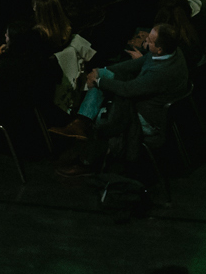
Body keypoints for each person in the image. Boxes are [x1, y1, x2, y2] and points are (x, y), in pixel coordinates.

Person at [54, 23, 191, 175]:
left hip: (149, 119)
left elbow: (129, 89)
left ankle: (88, 162)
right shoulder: (170, 52)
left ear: (159, 49)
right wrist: (102, 72)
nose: (146, 42)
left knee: (101, 117)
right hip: (145, 104)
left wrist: (98, 81)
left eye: (150, 41)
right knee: (103, 80)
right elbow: (135, 64)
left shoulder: (161, 72)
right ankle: (82, 121)